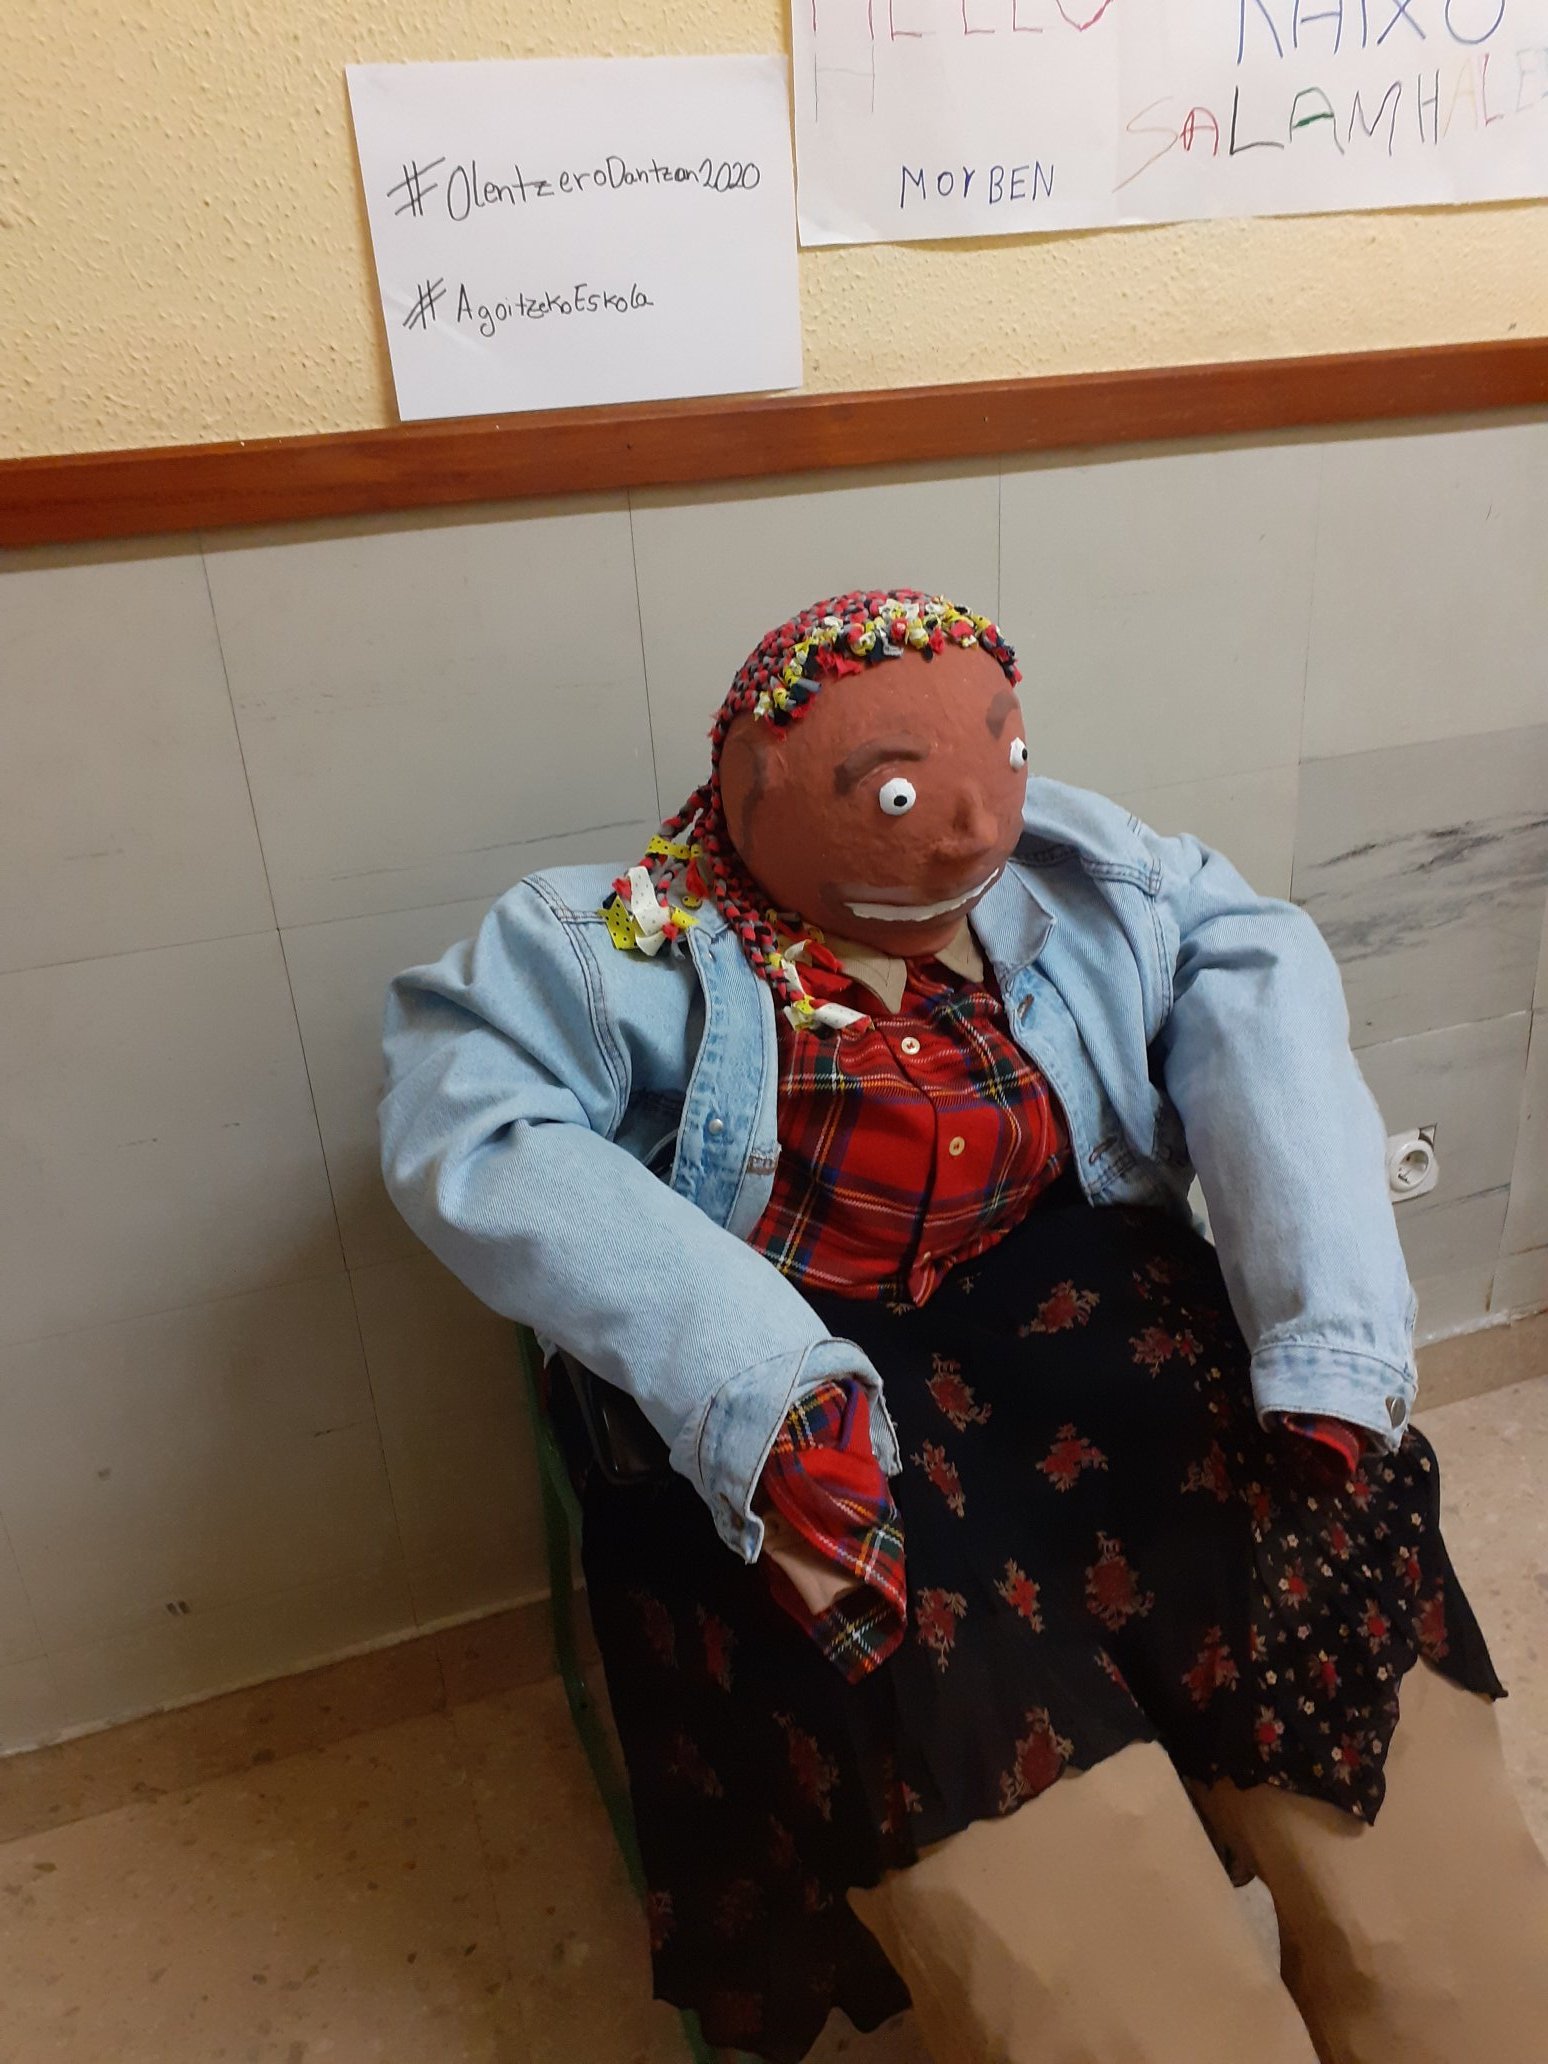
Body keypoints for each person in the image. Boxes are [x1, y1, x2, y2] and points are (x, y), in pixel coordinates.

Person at [380, 591, 1548, 2064]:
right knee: (1054, 1877)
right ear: (751, 791)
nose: (975, 829)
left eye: (1005, 750)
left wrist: (1326, 1318)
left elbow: (1249, 959)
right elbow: (471, 1119)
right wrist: (749, 1380)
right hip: (815, 1382)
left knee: (1401, 1811)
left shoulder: (1077, 866)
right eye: (896, 793)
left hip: (1098, 1318)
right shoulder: (611, 942)